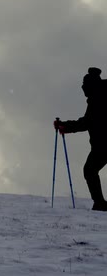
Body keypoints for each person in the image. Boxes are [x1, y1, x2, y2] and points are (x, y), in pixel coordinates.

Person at [54, 67, 107, 211]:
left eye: (84, 85)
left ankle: (100, 204)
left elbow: (87, 122)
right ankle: (100, 203)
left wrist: (65, 126)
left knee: (90, 170)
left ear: (91, 85)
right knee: (90, 170)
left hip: (103, 145)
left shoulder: (98, 99)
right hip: (101, 145)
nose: (82, 88)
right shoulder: (99, 95)